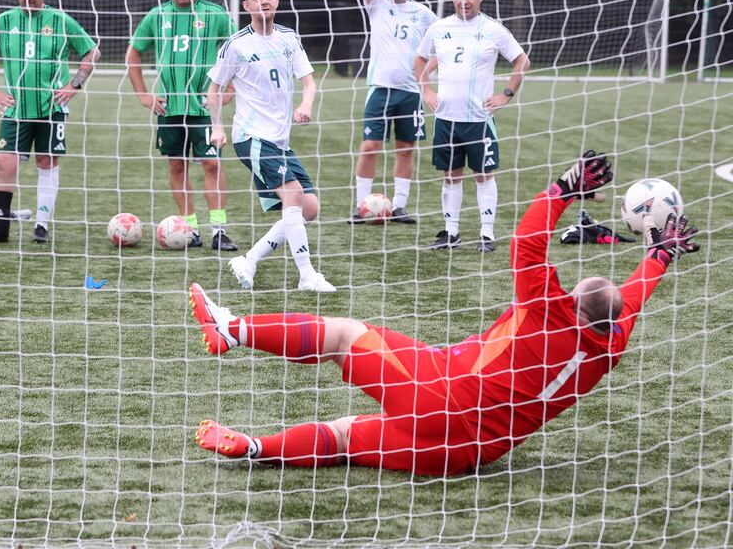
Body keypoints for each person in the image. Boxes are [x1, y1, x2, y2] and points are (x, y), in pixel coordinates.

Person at [189, 151, 700, 476]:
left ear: (572, 299)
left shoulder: (548, 308)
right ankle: (255, 447)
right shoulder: (610, 346)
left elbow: (526, 245)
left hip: (439, 391)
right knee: (345, 437)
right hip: (468, 455)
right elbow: (630, 301)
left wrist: (562, 190)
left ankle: (229, 330)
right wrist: (659, 253)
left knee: (344, 334)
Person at [206, 0, 335, 293]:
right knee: (293, 195)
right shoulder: (236, 45)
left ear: (276, 0)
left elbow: (309, 81)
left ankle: (248, 260)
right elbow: (214, 90)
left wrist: (305, 104)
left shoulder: (289, 39)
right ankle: (307, 274)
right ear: (246, 5)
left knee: (309, 208)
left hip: (279, 140)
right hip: (251, 137)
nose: (263, 1)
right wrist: (218, 127)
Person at [0, 0, 100, 244]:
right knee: (3, 164)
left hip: (51, 108)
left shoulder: (60, 20)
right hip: (16, 109)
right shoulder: (5, 21)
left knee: (46, 161)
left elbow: (92, 51)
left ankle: (41, 225)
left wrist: (74, 85)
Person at [126, 0, 237, 251]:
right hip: (169, 108)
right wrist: (143, 95)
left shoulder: (216, 15)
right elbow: (133, 55)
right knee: (177, 164)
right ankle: (191, 229)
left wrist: (231, 89)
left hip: (204, 107)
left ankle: (219, 230)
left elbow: (237, 52)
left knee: (212, 163)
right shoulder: (156, 16)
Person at [414, 0, 530, 252]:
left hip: (479, 120)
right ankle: (451, 233)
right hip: (446, 119)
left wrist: (506, 94)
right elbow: (419, 60)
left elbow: (522, 60)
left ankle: (486, 235)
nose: (464, 0)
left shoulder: (493, 29)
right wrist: (427, 91)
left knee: (483, 175)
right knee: (451, 176)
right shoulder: (439, 28)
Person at [349, 0, 437, 225]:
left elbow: (441, 45)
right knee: (370, 146)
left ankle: (399, 206)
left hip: (410, 92)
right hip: (380, 89)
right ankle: (362, 205)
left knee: (405, 149)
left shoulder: (423, 14)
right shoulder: (377, 3)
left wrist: (425, 75)